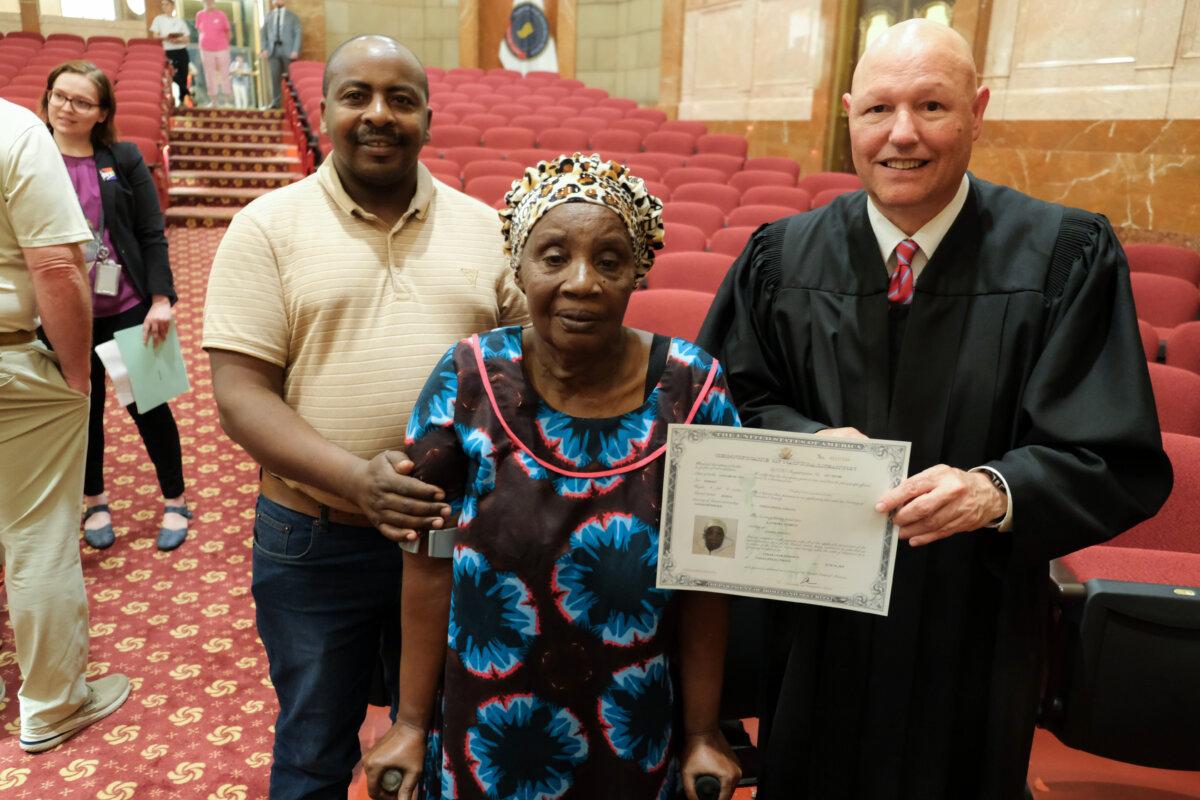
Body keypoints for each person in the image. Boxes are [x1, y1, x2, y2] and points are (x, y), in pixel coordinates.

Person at [697, 19, 1173, 800]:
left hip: (974, 627)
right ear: (848, 114)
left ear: (978, 111)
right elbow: (722, 411)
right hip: (817, 629)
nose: (903, 135)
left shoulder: (1063, 258)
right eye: (879, 110)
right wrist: (810, 445)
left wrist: (995, 491)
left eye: (934, 107)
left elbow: (1110, 455)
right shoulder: (780, 261)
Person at [203, 35, 527, 800]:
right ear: (323, 111)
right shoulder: (267, 227)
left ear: (427, 117)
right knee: (316, 744)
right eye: (357, 96)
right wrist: (359, 480)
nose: (379, 114)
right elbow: (241, 394)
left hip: (458, 540)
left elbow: (532, 376)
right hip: (318, 539)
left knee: (457, 737)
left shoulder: (489, 229)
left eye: (401, 99)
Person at [360, 153, 742, 800]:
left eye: (610, 260)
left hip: (632, 723)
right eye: (555, 256)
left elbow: (708, 579)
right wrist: (411, 721)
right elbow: (427, 559)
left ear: (638, 270)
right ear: (520, 263)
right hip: (485, 724)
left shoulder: (695, 387)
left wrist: (703, 732)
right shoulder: (467, 379)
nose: (583, 282)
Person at [0, 97, 132, 754]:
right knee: (37, 536)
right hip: (11, 363)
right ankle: (52, 705)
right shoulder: (14, 129)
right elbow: (56, 267)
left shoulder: (120, 159)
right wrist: (77, 377)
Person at [42, 61, 190, 553]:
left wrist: (161, 300)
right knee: (81, 413)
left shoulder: (121, 158)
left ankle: (175, 499)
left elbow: (150, 232)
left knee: (148, 404)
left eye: (82, 101)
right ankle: (95, 500)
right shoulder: (30, 156)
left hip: (126, 302)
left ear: (101, 112)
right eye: (60, 96)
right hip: (58, 312)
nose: (67, 107)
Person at [150, 0, 191, 107]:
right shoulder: (158, 19)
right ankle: (168, 101)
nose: (164, 6)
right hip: (167, 51)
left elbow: (187, 39)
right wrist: (167, 37)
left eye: (166, 4)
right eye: (162, 5)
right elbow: (155, 37)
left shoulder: (180, 21)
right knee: (169, 77)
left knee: (182, 76)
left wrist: (178, 40)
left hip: (181, 51)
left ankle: (183, 101)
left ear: (172, 6)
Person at [260, 0, 301, 109]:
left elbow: (298, 33)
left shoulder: (292, 16)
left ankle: (292, 104)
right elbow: (263, 34)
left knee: (290, 79)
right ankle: (276, 103)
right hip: (273, 51)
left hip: (288, 51)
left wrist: (295, 50)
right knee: (274, 78)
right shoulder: (269, 16)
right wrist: (264, 49)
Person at [195, 0, 233, 108]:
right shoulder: (199, 15)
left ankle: (227, 101)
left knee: (224, 73)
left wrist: (226, 46)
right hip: (205, 50)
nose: (209, 2)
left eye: (211, 1)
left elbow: (228, 32)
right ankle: (214, 101)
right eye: (206, 1)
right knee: (209, 75)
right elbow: (200, 31)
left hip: (222, 48)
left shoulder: (221, 15)